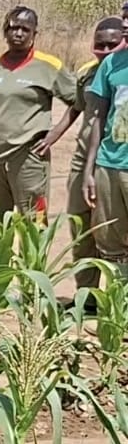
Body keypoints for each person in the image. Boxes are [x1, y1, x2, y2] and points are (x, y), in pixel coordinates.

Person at [39, 17, 124, 300]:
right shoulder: (89, 73)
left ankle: (114, 302)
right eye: (99, 45)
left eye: (112, 44)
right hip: (87, 161)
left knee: (111, 233)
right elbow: (77, 109)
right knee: (81, 227)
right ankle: (86, 298)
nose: (105, 50)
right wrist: (53, 135)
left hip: (109, 162)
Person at [0, 6, 75, 221]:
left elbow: (78, 101)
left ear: (35, 33)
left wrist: (53, 136)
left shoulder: (48, 66)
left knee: (33, 222)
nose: (18, 33)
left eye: (25, 29)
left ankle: (31, 257)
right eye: (13, 28)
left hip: (28, 158)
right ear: (5, 31)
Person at [84, 32, 128, 280]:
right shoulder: (111, 63)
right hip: (110, 165)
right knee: (111, 244)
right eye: (124, 18)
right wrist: (90, 171)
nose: (126, 24)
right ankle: (117, 309)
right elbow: (98, 118)